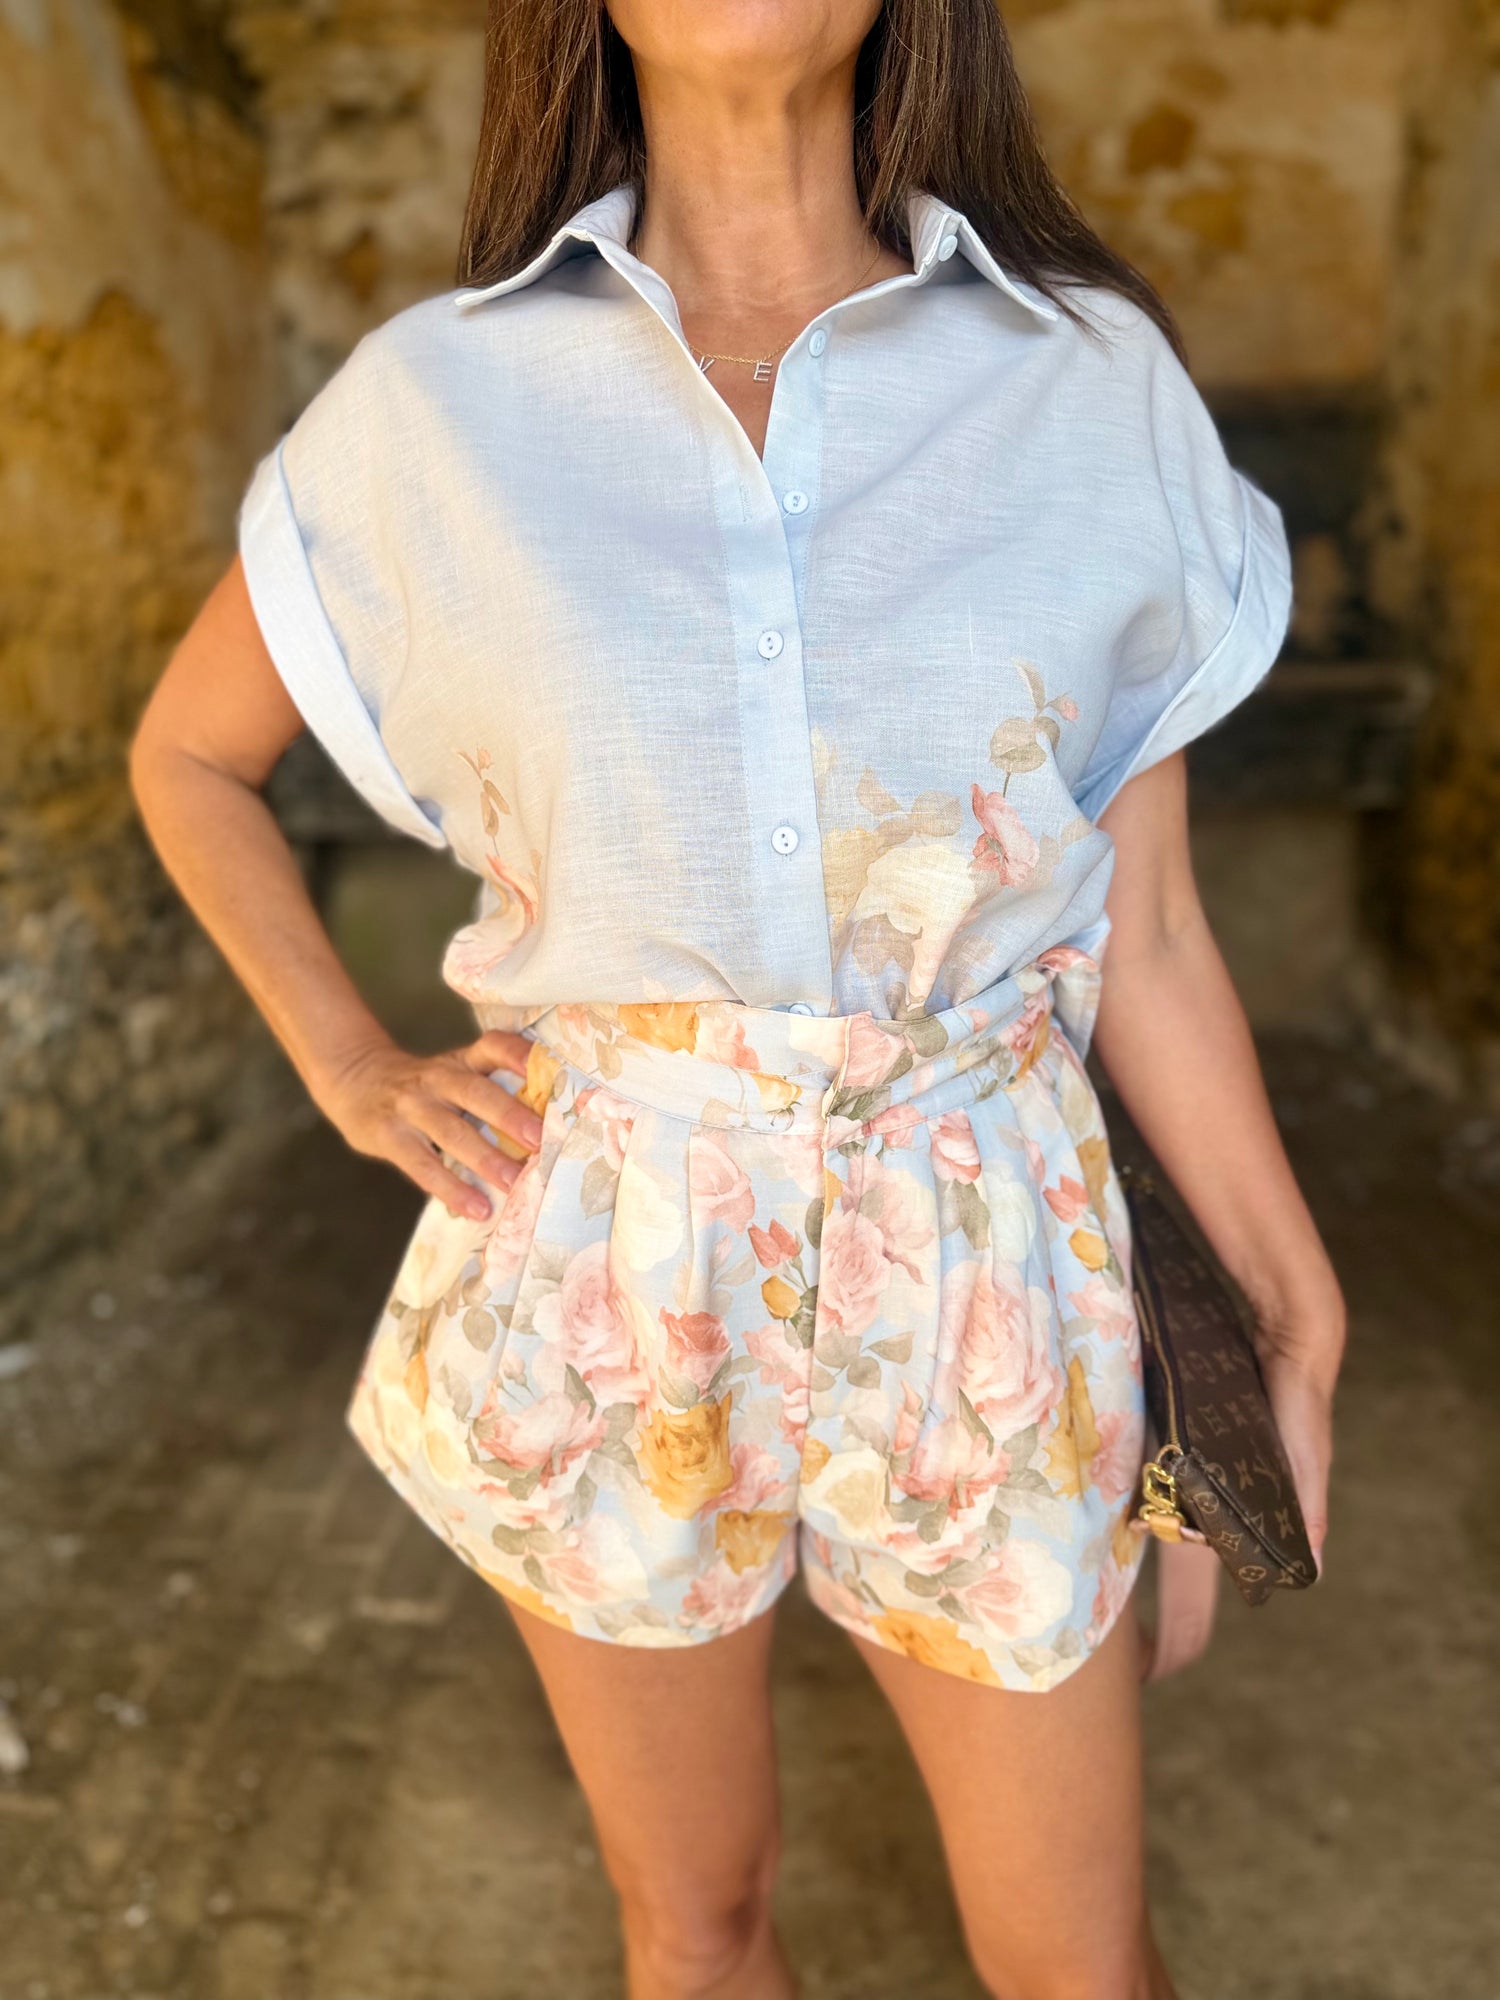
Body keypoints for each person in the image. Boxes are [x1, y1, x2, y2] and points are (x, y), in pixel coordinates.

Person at [129, 3, 1347, 1994]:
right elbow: (190, 755)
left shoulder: (1087, 383)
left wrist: (1293, 1306)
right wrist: (346, 1060)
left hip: (987, 1261)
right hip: (604, 1257)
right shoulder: (434, 405)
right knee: (696, 1932)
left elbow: (1148, 931)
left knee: (1082, 1966)